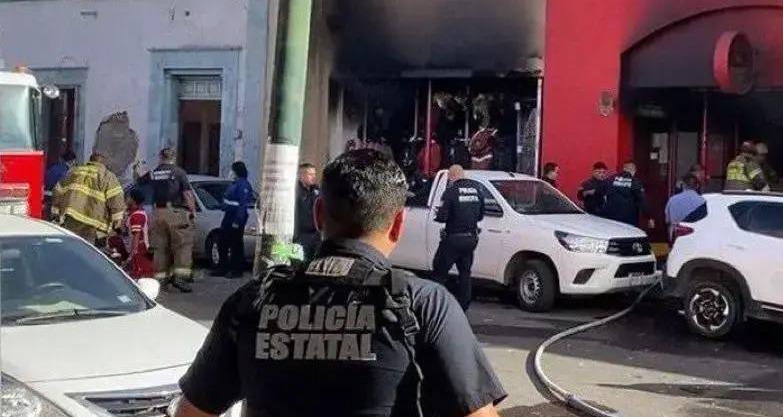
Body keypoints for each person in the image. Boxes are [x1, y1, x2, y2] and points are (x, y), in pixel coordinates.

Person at [174, 149, 506, 417]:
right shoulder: (424, 304)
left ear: (318, 214)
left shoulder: (252, 301)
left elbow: (192, 411)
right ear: (398, 224)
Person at [139, 147, 197, 293]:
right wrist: (193, 210)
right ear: (173, 158)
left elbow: (139, 181)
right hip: (175, 212)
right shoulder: (178, 172)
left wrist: (137, 169)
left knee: (160, 248)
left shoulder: (154, 173)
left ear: (160, 157)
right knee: (182, 245)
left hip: (158, 213)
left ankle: (160, 280)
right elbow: (187, 193)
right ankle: (180, 278)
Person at [432, 165, 486, 311]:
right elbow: (481, 215)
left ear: (451, 176)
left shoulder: (451, 192)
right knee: (465, 273)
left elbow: (442, 217)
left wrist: (438, 215)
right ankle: (464, 306)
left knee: (439, 272)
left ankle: (435, 305)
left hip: (453, 239)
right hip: (470, 239)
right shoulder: (477, 190)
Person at [50, 152, 124, 245]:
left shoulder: (74, 171)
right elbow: (116, 200)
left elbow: (57, 191)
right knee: (87, 248)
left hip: (71, 216)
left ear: (90, 161)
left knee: (71, 245)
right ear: (103, 163)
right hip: (93, 222)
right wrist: (117, 223)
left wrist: (55, 213)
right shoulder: (107, 176)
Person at [213, 161, 254, 279]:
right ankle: (223, 268)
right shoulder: (235, 184)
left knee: (236, 245)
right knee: (222, 242)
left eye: (232, 170)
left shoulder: (243, 185)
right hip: (229, 215)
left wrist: (237, 221)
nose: (230, 172)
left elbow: (242, 205)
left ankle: (236, 270)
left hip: (235, 217)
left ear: (236, 171)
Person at [599, 161, 647, 228]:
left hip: (610, 217)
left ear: (624, 168)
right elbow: (642, 199)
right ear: (634, 171)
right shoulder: (635, 182)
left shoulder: (610, 179)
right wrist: (648, 216)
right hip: (628, 218)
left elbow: (599, 192)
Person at [124, 188, 155, 279]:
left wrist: (132, 255)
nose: (126, 199)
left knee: (140, 276)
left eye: (128, 197)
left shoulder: (137, 215)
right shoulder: (136, 213)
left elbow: (136, 236)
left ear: (133, 200)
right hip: (140, 249)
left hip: (140, 250)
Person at [665, 173, 705, 242]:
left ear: (683, 185)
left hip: (677, 237)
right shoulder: (703, 201)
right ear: (697, 186)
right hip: (697, 237)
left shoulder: (672, 200)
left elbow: (667, 220)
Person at [295, 163, 321, 260]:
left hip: (315, 235)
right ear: (301, 175)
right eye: (310, 174)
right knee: (300, 261)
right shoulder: (295, 191)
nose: (313, 177)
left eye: (314, 174)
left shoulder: (317, 190)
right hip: (300, 235)